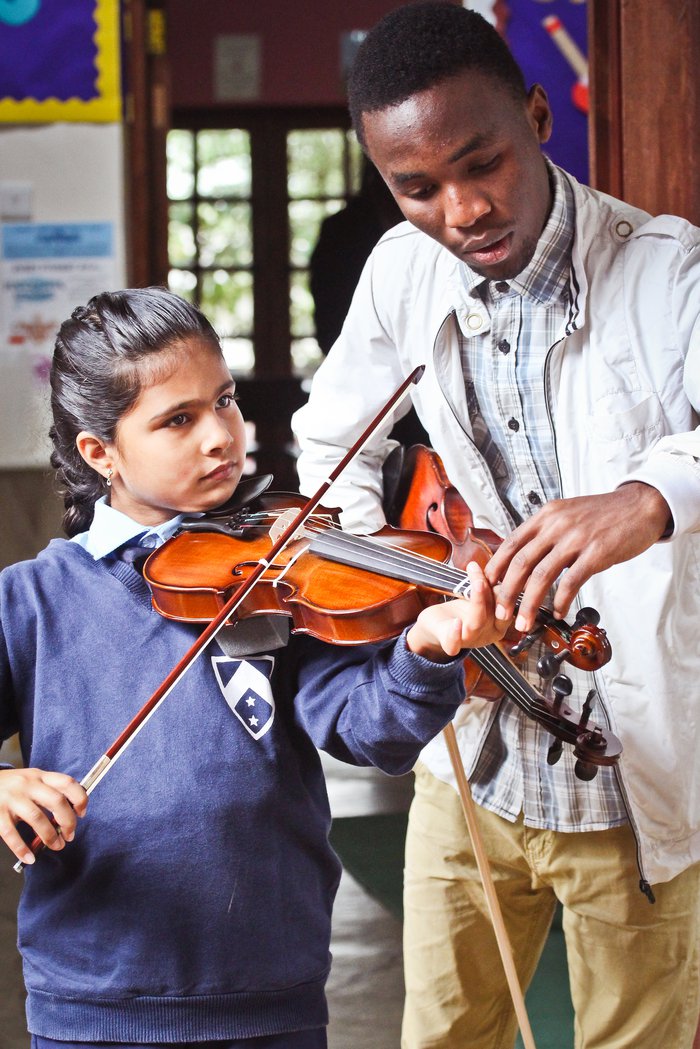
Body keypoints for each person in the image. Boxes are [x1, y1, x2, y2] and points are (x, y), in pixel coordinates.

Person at [291, 4, 700, 1048]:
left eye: (483, 164)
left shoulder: (666, 268)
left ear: (535, 117)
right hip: (475, 746)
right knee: (444, 1034)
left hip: (632, 754)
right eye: (416, 187)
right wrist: (408, 571)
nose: (460, 209)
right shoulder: (400, 267)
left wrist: (649, 494)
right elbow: (331, 443)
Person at [0, 286, 508, 1049]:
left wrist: (426, 648)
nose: (221, 436)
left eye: (225, 402)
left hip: (272, 994)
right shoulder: (33, 598)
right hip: (97, 1003)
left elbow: (373, 731)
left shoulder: (280, 570)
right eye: (178, 419)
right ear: (99, 452)